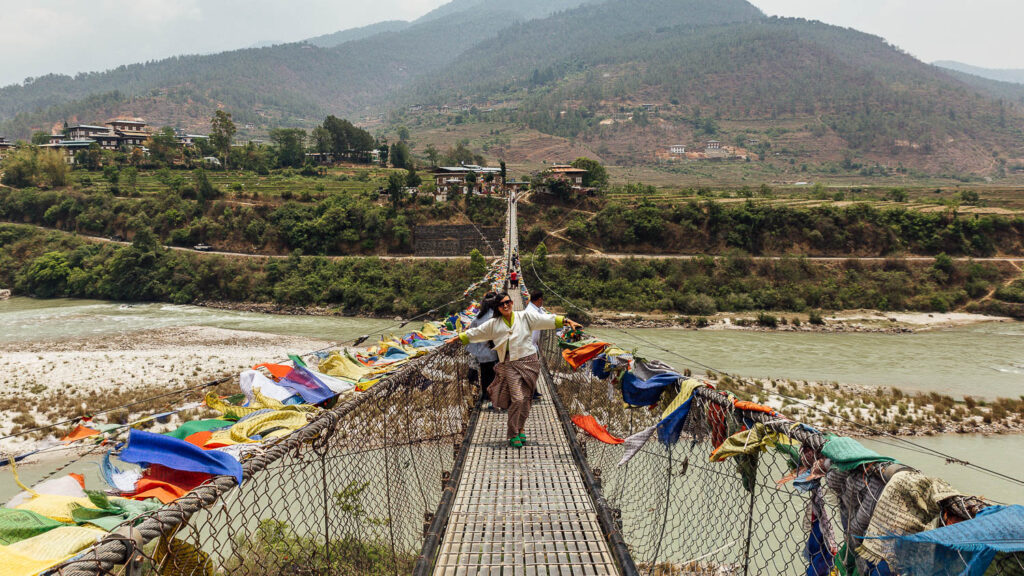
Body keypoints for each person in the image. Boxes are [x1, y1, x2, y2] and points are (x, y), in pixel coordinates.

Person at [457, 292, 581, 448]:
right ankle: (513, 432)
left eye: (508, 302)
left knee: (527, 400)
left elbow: (545, 320)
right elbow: (476, 333)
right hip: (509, 363)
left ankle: (521, 428)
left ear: (512, 302)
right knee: (518, 398)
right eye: (502, 304)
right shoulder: (493, 324)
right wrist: (457, 338)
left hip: (530, 361)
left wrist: (566, 321)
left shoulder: (525, 316)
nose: (506, 305)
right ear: (498, 307)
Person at [466, 292, 499, 409]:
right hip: (495, 351)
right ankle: (494, 398)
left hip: (482, 353)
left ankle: (486, 395)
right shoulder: (495, 317)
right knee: (496, 375)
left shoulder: (477, 318)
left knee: (485, 375)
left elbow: (470, 334)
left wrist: (474, 351)